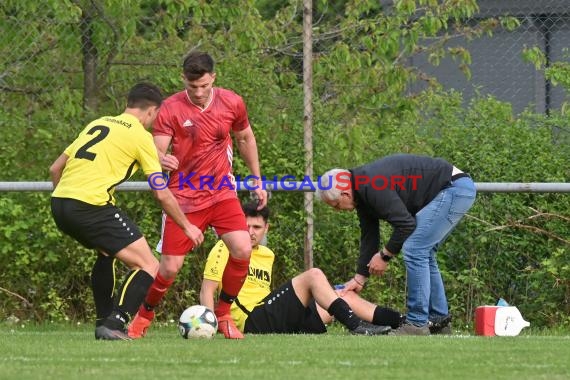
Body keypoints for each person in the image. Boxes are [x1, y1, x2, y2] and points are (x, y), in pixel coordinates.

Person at [128, 51, 267, 340]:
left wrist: (256, 178)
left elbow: (245, 138)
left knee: (242, 249)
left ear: (213, 78)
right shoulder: (169, 108)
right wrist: (160, 159)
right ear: (184, 80)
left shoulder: (232, 102)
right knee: (169, 268)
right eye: (193, 88)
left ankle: (224, 315)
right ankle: (143, 317)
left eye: (205, 86)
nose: (200, 92)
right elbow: (155, 148)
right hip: (183, 197)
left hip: (221, 192)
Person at [49, 83, 204, 341]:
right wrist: (187, 226)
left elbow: (55, 169)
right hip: (90, 206)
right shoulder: (140, 136)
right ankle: (116, 323)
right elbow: (160, 192)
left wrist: (68, 200)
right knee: (150, 266)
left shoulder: (98, 123)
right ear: (152, 112)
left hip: (60, 203)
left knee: (106, 251)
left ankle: (103, 321)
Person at [316, 154, 476, 335]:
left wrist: (385, 256)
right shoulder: (362, 191)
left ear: (345, 193)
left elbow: (406, 224)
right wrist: (359, 278)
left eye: (336, 205)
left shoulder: (370, 185)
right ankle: (439, 321)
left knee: (415, 249)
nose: (338, 210)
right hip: (453, 189)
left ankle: (416, 324)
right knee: (423, 251)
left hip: (453, 188)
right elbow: (369, 237)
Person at [200, 202, 402, 335]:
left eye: (257, 227)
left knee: (344, 296)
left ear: (266, 229)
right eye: (246, 226)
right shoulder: (225, 247)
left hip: (273, 317)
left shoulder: (267, 255)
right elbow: (207, 290)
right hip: (252, 320)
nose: (250, 232)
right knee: (313, 275)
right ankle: (357, 327)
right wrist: (210, 327)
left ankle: (404, 322)